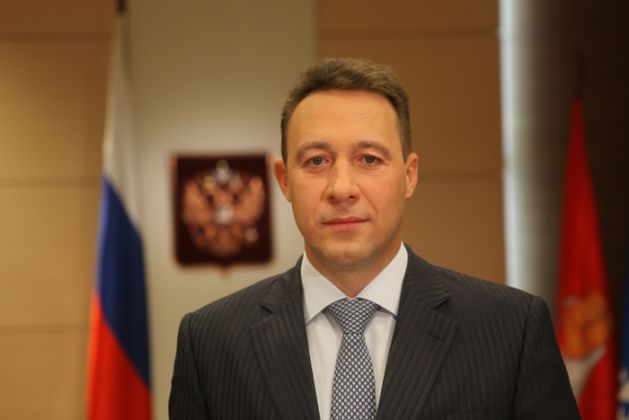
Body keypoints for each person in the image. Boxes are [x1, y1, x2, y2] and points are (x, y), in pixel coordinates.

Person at [169, 58, 580, 419]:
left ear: (409, 176)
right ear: (284, 181)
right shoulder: (210, 343)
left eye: (369, 159)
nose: (341, 188)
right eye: (316, 160)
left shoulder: (510, 329)